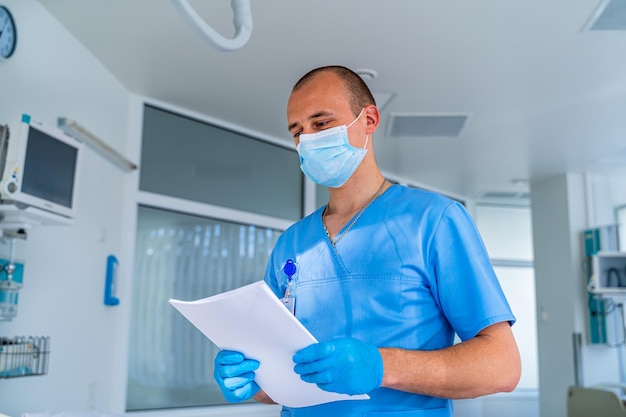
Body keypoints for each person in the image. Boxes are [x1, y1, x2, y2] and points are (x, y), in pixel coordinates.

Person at [213, 65, 521, 416]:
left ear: (369, 119)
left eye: (321, 123)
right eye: (297, 131)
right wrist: (252, 377)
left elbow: (502, 366)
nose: (307, 140)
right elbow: (281, 381)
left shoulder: (433, 221)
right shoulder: (291, 244)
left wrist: (382, 367)